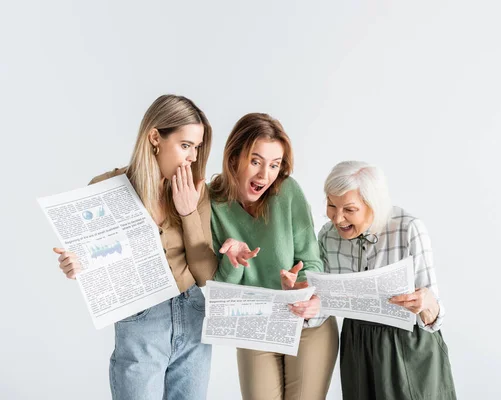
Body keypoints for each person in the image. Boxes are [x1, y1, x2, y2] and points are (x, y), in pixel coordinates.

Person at [53, 95, 217, 400]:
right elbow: (96, 263)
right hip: (142, 320)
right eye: (185, 145)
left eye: (196, 147)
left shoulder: (195, 191)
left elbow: (206, 275)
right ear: (155, 137)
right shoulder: (106, 187)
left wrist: (188, 212)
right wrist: (77, 266)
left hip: (193, 314)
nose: (193, 157)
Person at [283, 161, 457, 400]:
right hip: (358, 343)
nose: (337, 218)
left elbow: (434, 318)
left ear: (372, 205)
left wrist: (426, 303)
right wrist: (302, 299)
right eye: (332, 205)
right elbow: (325, 305)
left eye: (349, 209)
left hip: (409, 344)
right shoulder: (327, 237)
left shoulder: (408, 229)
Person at [209, 113, 339, 400]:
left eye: (274, 165)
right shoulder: (212, 203)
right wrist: (232, 264)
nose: (264, 175)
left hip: (306, 323)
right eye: (255, 161)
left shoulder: (288, 192)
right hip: (255, 323)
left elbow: (311, 260)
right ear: (234, 158)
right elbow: (218, 290)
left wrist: (299, 288)